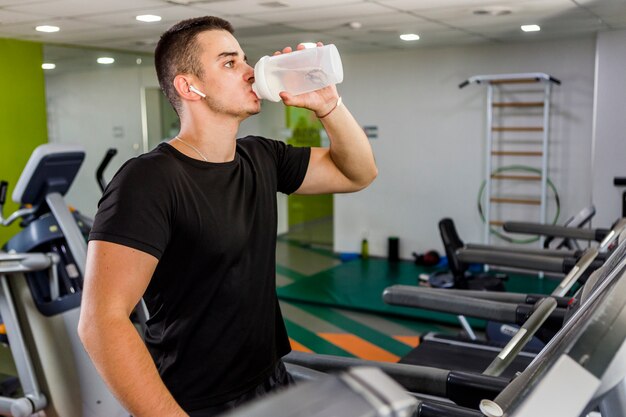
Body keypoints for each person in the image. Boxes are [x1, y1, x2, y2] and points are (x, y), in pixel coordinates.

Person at [78, 16, 377, 417]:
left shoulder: (261, 156)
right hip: (196, 401)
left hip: (270, 381)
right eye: (230, 62)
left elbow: (357, 172)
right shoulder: (148, 180)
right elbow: (101, 322)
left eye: (245, 58)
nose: (251, 71)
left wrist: (329, 106)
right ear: (189, 86)